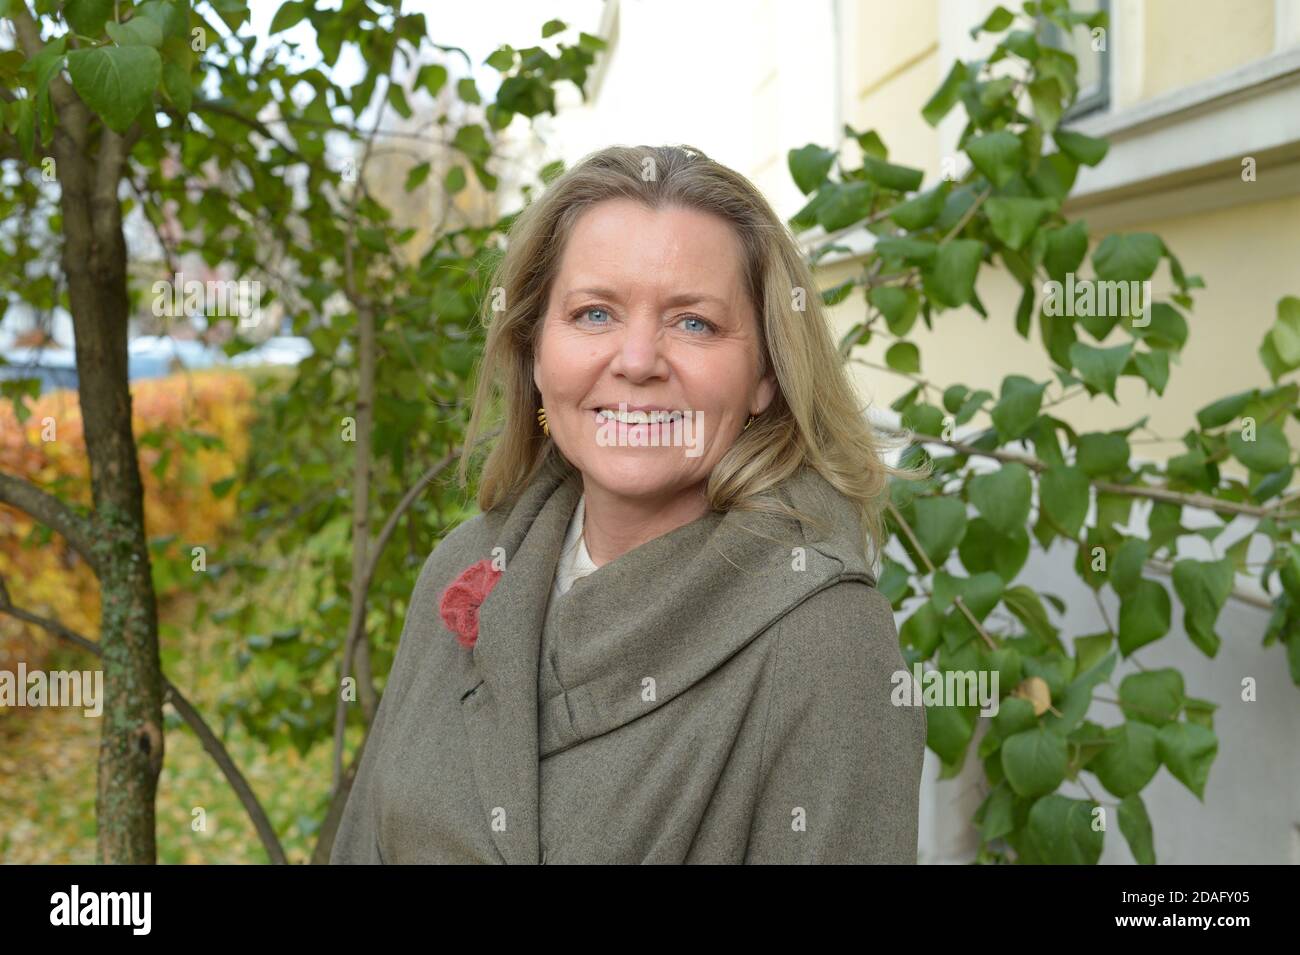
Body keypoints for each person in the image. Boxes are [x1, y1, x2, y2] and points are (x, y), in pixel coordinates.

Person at [330, 144, 928, 864]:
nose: (639, 359)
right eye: (593, 314)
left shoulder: (826, 638)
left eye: (695, 323)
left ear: (765, 374)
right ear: (535, 352)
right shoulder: (467, 568)